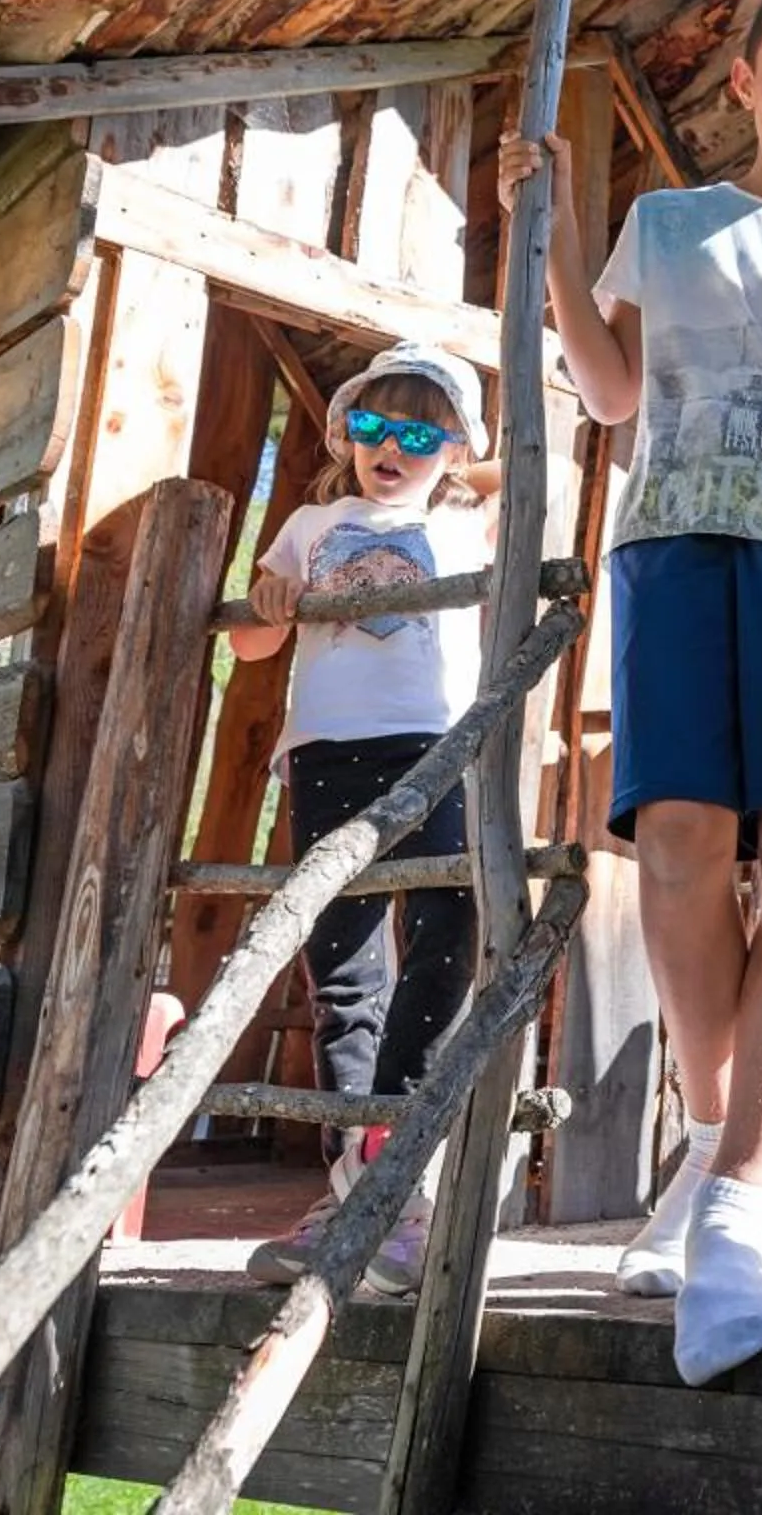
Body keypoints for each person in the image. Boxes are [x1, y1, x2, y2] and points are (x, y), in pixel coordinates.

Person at [500, 0, 762, 1385]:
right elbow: (616, 397)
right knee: (677, 838)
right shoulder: (667, 223)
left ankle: (733, 1203)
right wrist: (544, 237)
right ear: (742, 78)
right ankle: (722, 1147)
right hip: (675, 548)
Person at [236, 341, 495, 1296]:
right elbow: (260, 644)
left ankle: (396, 1169)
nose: (393, 447)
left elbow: (534, 481)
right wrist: (270, 599)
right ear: (347, 434)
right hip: (327, 749)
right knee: (341, 953)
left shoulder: (468, 527)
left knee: (445, 926)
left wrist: (483, 473)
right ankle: (357, 1176)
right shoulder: (312, 520)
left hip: (435, 744)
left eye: (420, 432)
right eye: (375, 426)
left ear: (455, 451)